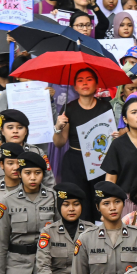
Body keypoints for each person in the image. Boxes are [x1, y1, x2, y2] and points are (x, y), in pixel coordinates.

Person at [53, 68, 114, 221]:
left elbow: (110, 137)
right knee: (78, 202)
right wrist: (58, 128)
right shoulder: (68, 109)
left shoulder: (105, 107)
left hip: (99, 161)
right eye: (80, 80)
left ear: (96, 84)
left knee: (101, 202)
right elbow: (59, 143)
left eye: (89, 79)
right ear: (74, 86)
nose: (85, 83)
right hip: (75, 161)